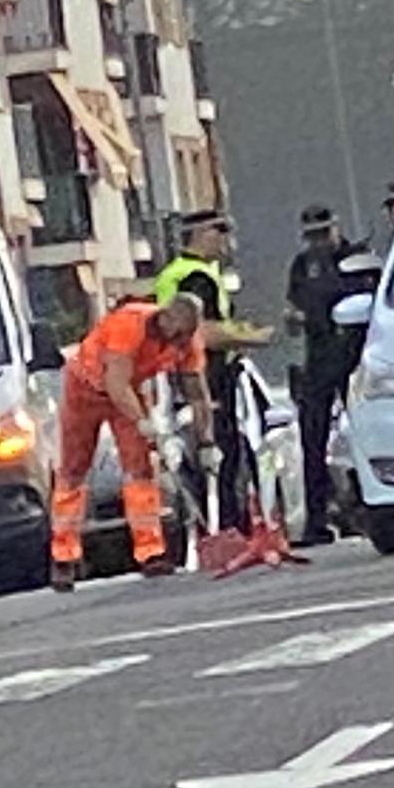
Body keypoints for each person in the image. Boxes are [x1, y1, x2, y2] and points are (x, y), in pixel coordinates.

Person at [49, 289, 205, 583]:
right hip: (86, 388)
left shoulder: (186, 341)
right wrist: (143, 422)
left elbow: (197, 392)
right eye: (179, 334)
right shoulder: (129, 325)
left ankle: (150, 551)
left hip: (130, 390)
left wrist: (207, 441)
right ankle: (64, 555)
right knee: (73, 471)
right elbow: (115, 383)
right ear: (167, 318)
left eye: (187, 336)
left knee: (140, 470)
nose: (181, 343)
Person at [152, 213, 253, 530]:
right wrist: (249, 336)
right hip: (207, 377)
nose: (225, 238)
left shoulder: (182, 273)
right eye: (219, 230)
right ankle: (228, 527)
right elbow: (203, 332)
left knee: (208, 457)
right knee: (222, 456)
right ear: (197, 234)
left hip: (185, 376)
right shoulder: (197, 278)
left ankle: (221, 524)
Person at [282, 205, 368, 549]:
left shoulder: (358, 258)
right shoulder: (303, 266)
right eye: (312, 237)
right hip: (318, 358)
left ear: (336, 229)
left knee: (362, 436)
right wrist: (294, 319)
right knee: (312, 440)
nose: (318, 242)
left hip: (354, 357)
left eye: (323, 234)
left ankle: (366, 506)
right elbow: (293, 308)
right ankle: (318, 520)